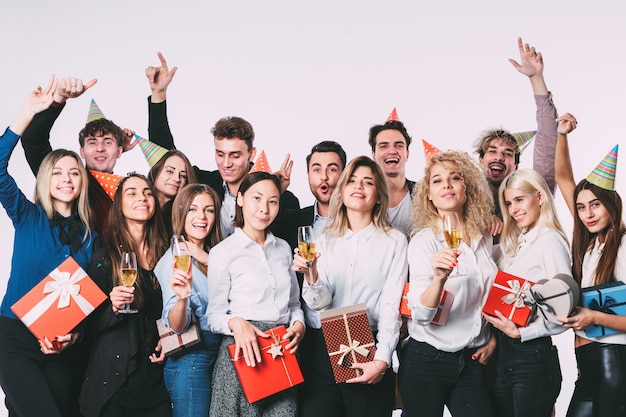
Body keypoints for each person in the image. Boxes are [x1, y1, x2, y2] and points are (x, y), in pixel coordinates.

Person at [0, 77, 98, 417]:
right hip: (14, 338)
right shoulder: (27, 215)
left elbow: (88, 300)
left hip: (60, 346)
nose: (67, 179)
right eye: (58, 172)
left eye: (74, 172)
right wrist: (24, 115)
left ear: (82, 181)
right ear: (46, 179)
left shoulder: (92, 237)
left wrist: (75, 337)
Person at [295, 155, 408, 417]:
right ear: (343, 190)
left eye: (368, 182)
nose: (359, 186)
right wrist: (311, 274)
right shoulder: (323, 239)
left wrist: (381, 361)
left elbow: (391, 307)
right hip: (324, 346)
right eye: (352, 181)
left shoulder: (394, 241)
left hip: (368, 345)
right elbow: (318, 302)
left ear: (379, 196)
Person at [145, 52, 299, 237]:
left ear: (251, 154)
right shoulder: (204, 184)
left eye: (235, 155)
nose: (226, 163)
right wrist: (158, 95)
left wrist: (273, 192)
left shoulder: (285, 200)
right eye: (220, 154)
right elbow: (165, 156)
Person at [398, 150, 497, 417]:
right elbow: (420, 313)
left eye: (454, 178)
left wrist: (492, 337)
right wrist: (440, 278)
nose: (447, 185)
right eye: (438, 180)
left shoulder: (484, 236)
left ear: (467, 187)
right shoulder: (424, 241)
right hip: (428, 360)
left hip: (472, 361)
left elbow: (493, 295)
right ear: (428, 193)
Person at [206, 171, 305, 416]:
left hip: (280, 350)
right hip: (241, 350)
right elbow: (213, 315)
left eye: (273, 201)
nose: (264, 208)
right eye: (257, 198)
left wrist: (299, 324)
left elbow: (294, 303)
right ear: (240, 199)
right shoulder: (223, 252)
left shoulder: (283, 248)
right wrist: (235, 322)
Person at [79, 174, 171, 417]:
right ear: (119, 204)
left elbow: (179, 307)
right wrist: (113, 309)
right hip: (116, 379)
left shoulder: (168, 254)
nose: (142, 197)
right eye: (132, 193)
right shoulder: (104, 257)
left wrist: (170, 337)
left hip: (157, 378)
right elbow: (86, 326)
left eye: (147, 192)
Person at [483, 168, 571, 417]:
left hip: (531, 355)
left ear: (540, 197)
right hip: (501, 354)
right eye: (509, 203)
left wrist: (522, 332)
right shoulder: (514, 243)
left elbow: (564, 312)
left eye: (520, 200)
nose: (513, 209)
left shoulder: (550, 241)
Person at [554, 113, 626, 416]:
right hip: (586, 367)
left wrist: (593, 317)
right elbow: (563, 178)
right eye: (581, 207)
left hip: (615, 364)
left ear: (610, 203)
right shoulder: (590, 244)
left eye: (595, 204)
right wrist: (562, 136)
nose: (587, 213)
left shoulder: (622, 245)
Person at [20, 77, 137, 234]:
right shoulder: (67, 183)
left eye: (108, 142)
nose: (100, 148)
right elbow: (33, 141)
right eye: (92, 142)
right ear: (82, 151)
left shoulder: (127, 190)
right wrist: (59, 99)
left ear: (119, 151)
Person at [474, 37, 559, 231]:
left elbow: (547, 146)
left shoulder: (531, 195)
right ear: (480, 159)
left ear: (516, 165)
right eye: (492, 151)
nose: (499, 157)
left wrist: (536, 79)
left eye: (507, 153)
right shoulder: (466, 198)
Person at [154, 183, 223, 417]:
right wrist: (182, 300)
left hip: (220, 356)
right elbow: (176, 326)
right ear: (181, 214)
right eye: (193, 209)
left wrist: (207, 257)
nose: (201, 217)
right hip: (192, 358)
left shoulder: (218, 254)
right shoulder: (176, 258)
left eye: (209, 210)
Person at [273, 140, 347, 249]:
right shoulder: (290, 221)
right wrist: (274, 189)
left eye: (332, 170)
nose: (324, 177)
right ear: (308, 175)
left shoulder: (359, 219)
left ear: (345, 175)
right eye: (317, 170)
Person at [368, 115, 415, 238]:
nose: (392, 151)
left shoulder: (424, 193)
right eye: (384, 146)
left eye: (399, 145)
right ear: (374, 155)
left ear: (407, 154)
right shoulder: (364, 196)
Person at [147, 149, 198, 235]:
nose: (177, 179)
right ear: (155, 171)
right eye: (170, 171)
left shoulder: (185, 215)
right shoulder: (140, 203)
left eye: (183, 176)